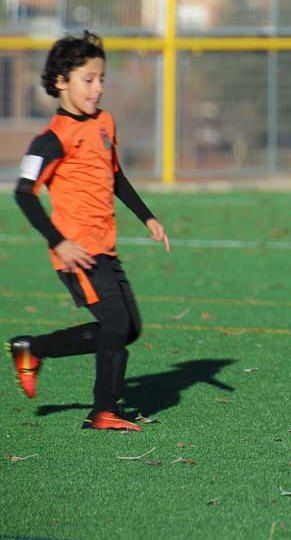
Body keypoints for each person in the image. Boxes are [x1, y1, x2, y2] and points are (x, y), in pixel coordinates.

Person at [8, 31, 170, 431]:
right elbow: (24, 193)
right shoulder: (51, 140)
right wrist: (59, 242)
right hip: (76, 252)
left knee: (129, 329)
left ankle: (33, 349)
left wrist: (147, 216)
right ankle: (104, 411)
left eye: (101, 79)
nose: (97, 88)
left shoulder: (105, 123)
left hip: (104, 248)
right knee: (114, 327)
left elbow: (115, 175)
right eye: (88, 79)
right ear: (61, 81)